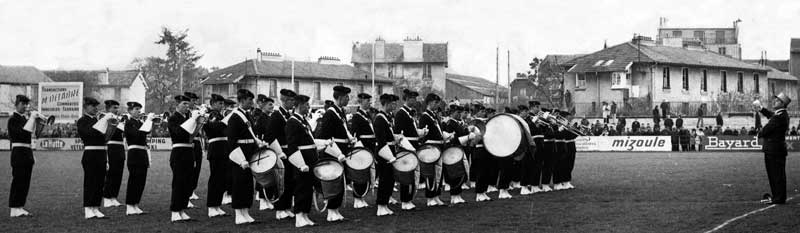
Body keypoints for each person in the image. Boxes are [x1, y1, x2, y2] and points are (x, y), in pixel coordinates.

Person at [314, 85, 353, 222]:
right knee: (333, 182)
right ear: (340, 98)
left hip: (341, 148)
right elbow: (326, 137)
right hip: (333, 151)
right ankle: (331, 211)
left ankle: (336, 209)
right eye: (346, 97)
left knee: (341, 181)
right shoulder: (330, 114)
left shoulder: (340, 112)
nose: (348, 99)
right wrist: (336, 153)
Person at [224, 89, 260, 224]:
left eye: (252, 99)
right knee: (238, 183)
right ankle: (238, 213)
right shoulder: (234, 117)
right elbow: (232, 141)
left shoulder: (247, 115)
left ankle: (245, 211)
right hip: (240, 154)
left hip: (249, 151)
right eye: (249, 100)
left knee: (247, 184)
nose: (251, 102)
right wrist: (241, 159)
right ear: (242, 101)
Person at [284, 94, 318, 227]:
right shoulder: (292, 122)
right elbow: (292, 146)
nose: (308, 107)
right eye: (306, 105)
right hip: (302, 161)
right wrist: (300, 164)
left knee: (308, 189)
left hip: (309, 160)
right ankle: (299, 215)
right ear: (299, 105)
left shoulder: (302, 121)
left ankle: (305, 214)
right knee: (301, 188)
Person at [265, 89, 296, 220]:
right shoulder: (276, 116)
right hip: (281, 152)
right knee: (281, 181)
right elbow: (270, 136)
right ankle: (279, 208)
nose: (293, 103)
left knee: (290, 181)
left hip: (290, 151)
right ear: (284, 100)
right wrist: (279, 153)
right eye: (290, 100)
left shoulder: (289, 116)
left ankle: (287, 206)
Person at [755, 93, 791, 204]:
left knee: (776, 175)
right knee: (776, 174)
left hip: (774, 150)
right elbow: (771, 115)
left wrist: (759, 133)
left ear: (782, 104)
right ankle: (778, 196)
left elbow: (767, 129)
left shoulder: (780, 116)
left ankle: (779, 198)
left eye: (777, 100)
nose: (774, 102)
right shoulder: (780, 114)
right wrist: (761, 108)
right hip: (775, 149)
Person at [77, 97, 109, 219]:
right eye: (92, 106)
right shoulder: (82, 121)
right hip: (90, 154)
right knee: (90, 182)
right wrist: (103, 120)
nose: (96, 108)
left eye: (96, 106)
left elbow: (106, 136)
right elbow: (90, 132)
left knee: (100, 183)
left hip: (101, 154)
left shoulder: (99, 120)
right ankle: (88, 208)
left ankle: (96, 207)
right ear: (86, 107)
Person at [167, 94, 195, 222]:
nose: (187, 106)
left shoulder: (187, 117)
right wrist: (192, 120)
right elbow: (179, 132)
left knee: (187, 183)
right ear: (177, 105)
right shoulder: (173, 118)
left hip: (189, 151)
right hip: (179, 152)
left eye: (187, 104)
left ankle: (182, 209)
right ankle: (175, 210)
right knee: (178, 182)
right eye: (184, 104)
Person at [372, 94, 401, 216]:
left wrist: (396, 138)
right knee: (384, 180)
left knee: (390, 180)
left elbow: (389, 135)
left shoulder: (386, 117)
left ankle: (385, 204)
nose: (394, 106)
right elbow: (381, 140)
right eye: (393, 104)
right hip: (384, 153)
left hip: (390, 149)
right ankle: (381, 205)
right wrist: (390, 156)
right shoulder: (379, 119)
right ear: (387, 104)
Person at [8, 95, 36, 217]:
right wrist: (32, 119)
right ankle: (14, 208)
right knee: (18, 180)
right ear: (17, 104)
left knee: (25, 181)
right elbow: (22, 133)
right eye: (22, 104)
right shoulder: (13, 119)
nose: (25, 106)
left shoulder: (24, 119)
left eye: (26, 104)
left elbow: (28, 138)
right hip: (18, 152)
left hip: (26, 152)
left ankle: (20, 206)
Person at [203, 94, 230, 217]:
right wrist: (226, 121)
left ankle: (217, 205)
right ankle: (212, 206)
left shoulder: (219, 115)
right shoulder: (211, 115)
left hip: (223, 148)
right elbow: (214, 128)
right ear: (213, 104)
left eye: (222, 103)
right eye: (219, 103)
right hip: (216, 149)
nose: (222, 106)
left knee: (222, 179)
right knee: (215, 179)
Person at [393, 89, 422, 206]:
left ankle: (409, 199)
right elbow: (398, 134)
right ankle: (405, 200)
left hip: (413, 144)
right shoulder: (401, 113)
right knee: (406, 175)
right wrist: (409, 148)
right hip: (407, 147)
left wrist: (420, 132)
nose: (414, 100)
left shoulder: (410, 112)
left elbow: (411, 131)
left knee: (411, 174)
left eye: (415, 98)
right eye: (412, 98)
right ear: (407, 99)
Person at [122, 101, 152, 215]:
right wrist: (148, 121)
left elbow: (147, 131)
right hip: (134, 153)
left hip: (142, 153)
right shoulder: (129, 123)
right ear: (130, 111)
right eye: (136, 109)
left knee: (141, 180)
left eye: (139, 109)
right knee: (134, 180)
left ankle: (135, 204)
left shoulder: (140, 122)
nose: (139, 111)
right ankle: (130, 205)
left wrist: (149, 121)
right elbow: (137, 135)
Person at [417, 93, 445, 207]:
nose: (437, 105)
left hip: (438, 146)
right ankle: (430, 197)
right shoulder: (425, 116)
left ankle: (436, 195)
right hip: (430, 147)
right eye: (435, 102)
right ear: (429, 103)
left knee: (439, 172)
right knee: (430, 173)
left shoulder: (434, 116)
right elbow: (424, 134)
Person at [350, 93, 377, 209]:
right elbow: (355, 134)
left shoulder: (367, 115)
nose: (369, 103)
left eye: (370, 101)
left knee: (367, 173)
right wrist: (360, 149)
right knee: (359, 174)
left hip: (370, 146)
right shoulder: (357, 116)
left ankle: (362, 197)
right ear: (361, 102)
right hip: (362, 147)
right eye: (367, 101)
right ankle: (357, 198)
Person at [252, 94, 274, 210]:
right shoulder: (261, 118)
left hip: (269, 148)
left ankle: (266, 198)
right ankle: (262, 199)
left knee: (268, 174)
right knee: (263, 174)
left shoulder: (268, 117)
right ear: (264, 105)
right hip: (262, 148)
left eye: (272, 105)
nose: (272, 107)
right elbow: (258, 133)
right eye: (270, 105)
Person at [102, 100, 125, 208]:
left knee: (118, 174)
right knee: (110, 173)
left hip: (120, 147)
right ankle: (107, 197)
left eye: (117, 107)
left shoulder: (118, 119)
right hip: (111, 147)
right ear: (108, 109)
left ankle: (114, 197)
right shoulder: (106, 119)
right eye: (114, 108)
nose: (117, 110)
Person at [183, 92, 203, 202]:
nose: (195, 103)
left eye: (195, 101)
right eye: (193, 101)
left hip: (197, 142)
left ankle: (192, 190)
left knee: (197, 168)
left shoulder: (196, 112)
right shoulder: (187, 114)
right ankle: (188, 192)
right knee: (190, 168)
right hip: (190, 142)